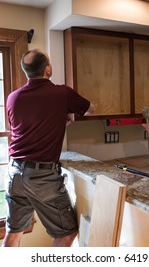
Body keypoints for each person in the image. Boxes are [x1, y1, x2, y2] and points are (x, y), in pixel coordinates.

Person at [1, 49, 95, 247]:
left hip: (15, 173)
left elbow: (25, 127)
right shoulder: (61, 93)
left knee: (14, 232)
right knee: (67, 233)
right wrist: (66, 113)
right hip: (42, 177)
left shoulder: (13, 98)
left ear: (26, 72)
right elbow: (90, 109)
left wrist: (59, 118)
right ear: (47, 69)